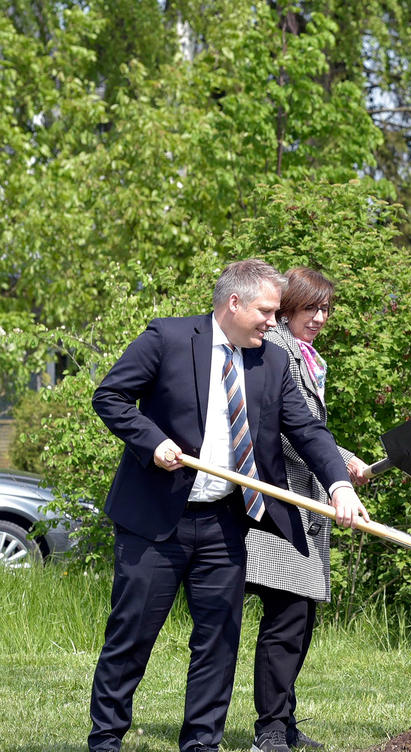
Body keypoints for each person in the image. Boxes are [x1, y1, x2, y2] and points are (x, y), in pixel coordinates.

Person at [89, 259, 370, 752]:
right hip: (154, 523)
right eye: (266, 310)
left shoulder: (274, 362)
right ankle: (106, 739)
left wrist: (338, 486)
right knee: (131, 637)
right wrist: (151, 441)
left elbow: (308, 432)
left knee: (218, 641)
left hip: (224, 522)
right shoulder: (168, 339)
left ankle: (202, 743)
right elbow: (110, 397)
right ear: (234, 303)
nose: (273, 320)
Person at [245, 267, 369, 752]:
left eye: (324, 310)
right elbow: (283, 428)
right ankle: (271, 730)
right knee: (287, 614)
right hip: (276, 503)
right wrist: (337, 464)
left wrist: (344, 460)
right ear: (287, 307)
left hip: (309, 501)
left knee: (298, 617)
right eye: (308, 309)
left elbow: (311, 428)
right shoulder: (275, 349)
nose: (318, 318)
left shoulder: (307, 356)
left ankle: (283, 722)